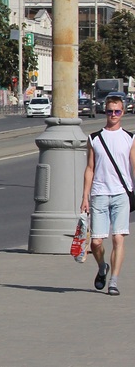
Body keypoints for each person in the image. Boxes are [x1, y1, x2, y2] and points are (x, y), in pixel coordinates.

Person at [81, 95, 135, 296]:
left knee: (118, 239)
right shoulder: (94, 138)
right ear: (105, 111)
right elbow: (90, 168)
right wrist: (85, 196)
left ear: (123, 112)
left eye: (117, 111)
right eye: (110, 111)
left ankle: (114, 281)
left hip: (121, 194)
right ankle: (102, 266)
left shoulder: (129, 138)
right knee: (96, 242)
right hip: (99, 194)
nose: (113, 115)